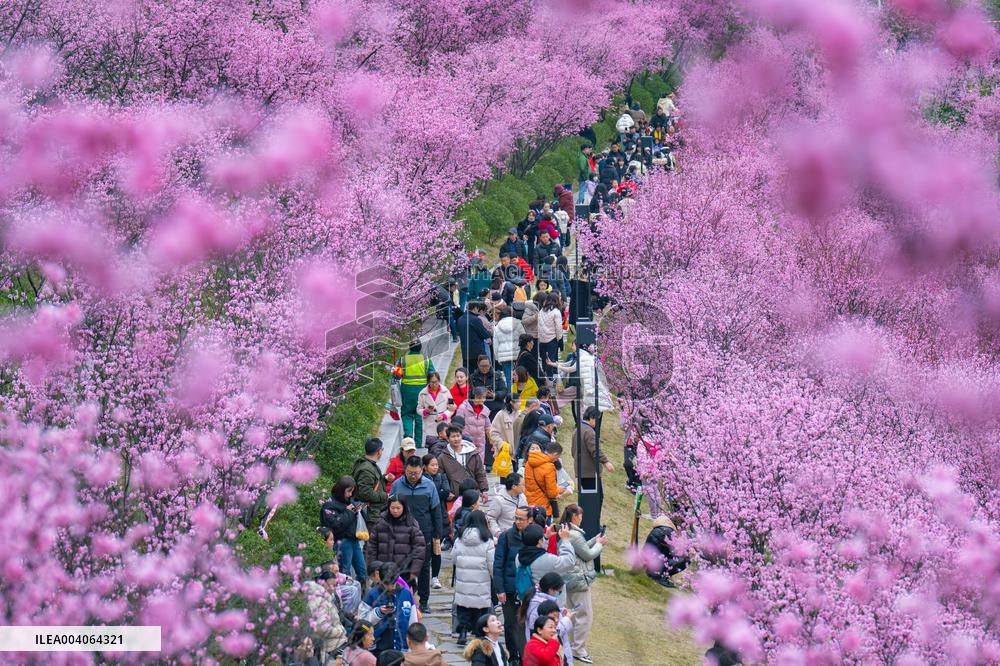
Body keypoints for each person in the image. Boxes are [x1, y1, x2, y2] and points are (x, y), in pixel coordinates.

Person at [392, 457, 443, 614]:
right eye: (409, 473)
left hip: (424, 532)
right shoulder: (396, 485)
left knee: (423, 567)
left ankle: (424, 600)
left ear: (422, 470)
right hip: (401, 533)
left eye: (416, 473)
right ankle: (405, 597)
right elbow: (390, 509)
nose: (413, 476)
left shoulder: (429, 486)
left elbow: (436, 511)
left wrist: (437, 533)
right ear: (405, 470)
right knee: (403, 567)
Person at [561, 504, 606, 664]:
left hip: (570, 580)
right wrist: (600, 545)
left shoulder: (567, 532)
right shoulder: (575, 535)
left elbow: (581, 549)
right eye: (580, 515)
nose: (582, 518)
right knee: (585, 616)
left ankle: (572, 646)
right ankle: (578, 649)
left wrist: (595, 540)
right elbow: (588, 555)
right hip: (579, 581)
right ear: (574, 517)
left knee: (573, 615)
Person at [452, 510, 495, 646]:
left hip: (463, 579)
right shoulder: (487, 539)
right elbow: (491, 562)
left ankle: (463, 631)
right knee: (480, 607)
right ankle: (479, 634)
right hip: (481, 580)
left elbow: (453, 558)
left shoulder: (460, 537)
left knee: (463, 606)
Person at [494, 506, 529, 662]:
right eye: (516, 517)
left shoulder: (533, 536)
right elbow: (498, 564)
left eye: (521, 518)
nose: (517, 521)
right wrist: (499, 589)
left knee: (525, 623)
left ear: (530, 520)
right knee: (510, 623)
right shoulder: (506, 536)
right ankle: (513, 656)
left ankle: (525, 655)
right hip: (509, 588)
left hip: (527, 590)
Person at [366, 497, 426, 587]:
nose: (395, 511)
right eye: (392, 508)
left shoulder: (411, 524)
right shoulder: (381, 522)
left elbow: (419, 548)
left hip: (404, 571)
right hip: (383, 570)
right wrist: (373, 568)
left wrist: (415, 570)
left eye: (398, 508)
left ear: (404, 508)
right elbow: (372, 547)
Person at [365, 562, 418, 655]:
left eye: (393, 583)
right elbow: (363, 621)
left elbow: (413, 621)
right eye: (387, 584)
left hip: (402, 647)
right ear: (380, 579)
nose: (391, 587)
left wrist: (414, 644)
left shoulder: (406, 593)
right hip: (379, 649)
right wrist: (379, 612)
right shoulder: (371, 595)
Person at [321, 475, 367, 580]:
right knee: (344, 573)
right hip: (342, 541)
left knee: (363, 572)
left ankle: (361, 593)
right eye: (348, 491)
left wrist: (360, 510)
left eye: (352, 491)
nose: (350, 494)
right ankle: (345, 595)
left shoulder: (349, 500)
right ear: (341, 490)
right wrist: (348, 512)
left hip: (354, 540)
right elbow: (335, 526)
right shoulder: (329, 505)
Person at [304, 570, 348, 662]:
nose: (333, 588)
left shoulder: (325, 598)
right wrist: (340, 632)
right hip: (332, 646)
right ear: (322, 583)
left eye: (335, 585)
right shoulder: (317, 601)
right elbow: (321, 628)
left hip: (337, 643)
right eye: (330, 585)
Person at [422, 453, 451, 589]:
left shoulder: (442, 476)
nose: (435, 467)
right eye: (432, 465)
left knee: (436, 549)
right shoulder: (422, 480)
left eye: (436, 465)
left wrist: (434, 493)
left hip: (440, 517)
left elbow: (446, 491)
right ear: (425, 467)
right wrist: (438, 492)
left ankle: (435, 577)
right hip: (426, 519)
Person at [398, 341, 434, 449]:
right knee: (419, 416)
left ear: (409, 347)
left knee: (407, 414)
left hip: (406, 391)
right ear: (420, 348)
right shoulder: (426, 359)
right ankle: (418, 444)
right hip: (422, 392)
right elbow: (433, 375)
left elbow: (396, 376)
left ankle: (408, 438)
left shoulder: (403, 360)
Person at [438, 425, 488, 495]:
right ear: (448, 438)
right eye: (453, 436)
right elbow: (440, 477)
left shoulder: (472, 453)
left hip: (472, 492)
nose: (456, 439)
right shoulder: (442, 457)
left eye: (458, 436)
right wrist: (447, 492)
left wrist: (484, 490)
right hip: (454, 494)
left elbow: (480, 472)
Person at [571, 406, 614, 490]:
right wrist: (606, 462)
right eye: (596, 419)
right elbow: (596, 450)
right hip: (589, 472)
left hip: (580, 470)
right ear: (591, 418)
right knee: (596, 499)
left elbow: (573, 452)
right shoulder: (589, 432)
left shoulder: (577, 430)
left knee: (586, 498)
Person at [353, 438, 392, 525]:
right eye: (382, 449)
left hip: (373, 513)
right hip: (371, 515)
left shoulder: (367, 464)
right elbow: (365, 492)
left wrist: (384, 479)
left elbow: (373, 484)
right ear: (378, 451)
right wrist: (384, 496)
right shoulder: (367, 469)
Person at [644, 515, 689, 587]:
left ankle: (657, 574)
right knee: (685, 559)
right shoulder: (670, 532)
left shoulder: (662, 527)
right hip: (655, 565)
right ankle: (660, 577)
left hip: (648, 561)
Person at [454, 386, 492, 467]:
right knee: (467, 466)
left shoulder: (485, 410)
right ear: (476, 396)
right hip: (466, 443)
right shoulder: (463, 408)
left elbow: (488, 428)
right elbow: (457, 425)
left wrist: (492, 443)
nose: (484, 399)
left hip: (480, 443)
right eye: (483, 397)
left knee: (479, 466)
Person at [471, 353, 508, 426]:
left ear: (490, 364)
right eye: (482, 366)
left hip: (495, 407)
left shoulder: (497, 376)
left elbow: (504, 391)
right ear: (478, 365)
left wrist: (495, 395)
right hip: (479, 407)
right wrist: (479, 394)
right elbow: (470, 393)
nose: (484, 368)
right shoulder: (473, 377)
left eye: (486, 366)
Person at [417, 372, 449, 450]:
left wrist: (444, 415)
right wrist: (426, 411)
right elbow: (418, 409)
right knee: (432, 449)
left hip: (443, 424)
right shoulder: (422, 393)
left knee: (444, 448)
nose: (434, 384)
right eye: (432, 382)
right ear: (428, 382)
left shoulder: (445, 391)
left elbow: (451, 407)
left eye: (436, 382)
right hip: (429, 424)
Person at [457, 301, 492, 370]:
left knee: (468, 373)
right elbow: (484, 334)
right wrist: (490, 332)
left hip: (465, 352)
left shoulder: (460, 319)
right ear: (475, 308)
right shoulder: (475, 319)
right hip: (477, 352)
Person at [536, 294, 563, 381]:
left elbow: (539, 325)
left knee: (544, 358)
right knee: (551, 358)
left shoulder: (541, 311)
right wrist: (559, 338)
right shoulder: (556, 312)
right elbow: (558, 327)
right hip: (552, 338)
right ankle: (551, 377)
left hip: (542, 338)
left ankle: (545, 375)